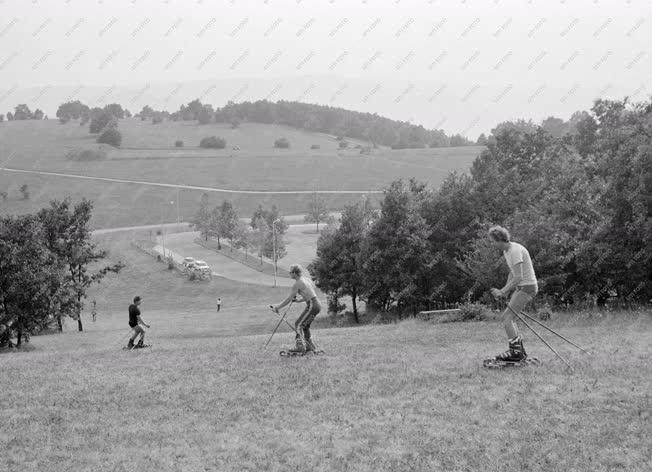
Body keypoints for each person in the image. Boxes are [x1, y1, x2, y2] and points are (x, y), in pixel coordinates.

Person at [488, 226, 538, 362]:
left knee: (507, 318)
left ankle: (516, 353)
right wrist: (504, 289)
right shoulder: (507, 251)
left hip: (527, 287)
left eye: (493, 241)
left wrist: (503, 291)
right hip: (522, 287)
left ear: (500, 239)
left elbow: (518, 277)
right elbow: (512, 273)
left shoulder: (515, 250)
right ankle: (519, 351)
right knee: (508, 318)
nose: (493, 244)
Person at [273, 264, 322, 353]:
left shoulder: (297, 283)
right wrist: (299, 300)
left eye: (290, 272)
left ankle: (300, 347)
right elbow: (310, 293)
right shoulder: (306, 279)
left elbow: (289, 299)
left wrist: (278, 307)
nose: (289, 273)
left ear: (295, 273)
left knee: (298, 325)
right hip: (317, 304)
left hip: (312, 305)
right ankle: (310, 346)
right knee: (305, 326)